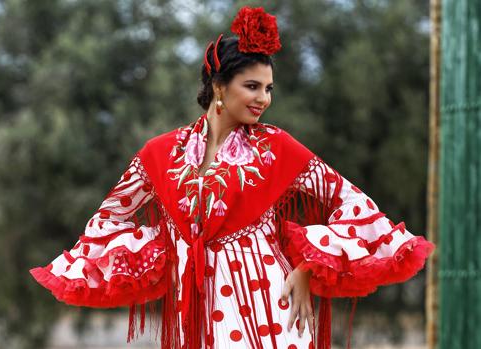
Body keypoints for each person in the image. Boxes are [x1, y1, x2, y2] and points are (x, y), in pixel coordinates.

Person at [29, 6, 435, 349]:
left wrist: (307, 268)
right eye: (252, 86)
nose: (264, 99)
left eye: (269, 88)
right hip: (198, 318)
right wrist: (164, 250)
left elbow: (354, 205)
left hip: (274, 313)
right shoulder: (159, 154)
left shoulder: (278, 148)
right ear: (219, 86)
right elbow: (108, 221)